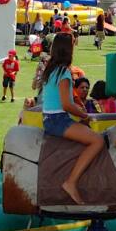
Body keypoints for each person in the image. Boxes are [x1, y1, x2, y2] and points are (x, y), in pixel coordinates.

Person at [41, 33, 104, 204]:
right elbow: (66, 104)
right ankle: (71, 182)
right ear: (68, 50)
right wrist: (85, 115)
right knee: (97, 141)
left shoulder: (51, 69)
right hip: (58, 120)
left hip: (50, 118)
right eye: (73, 45)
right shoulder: (64, 73)